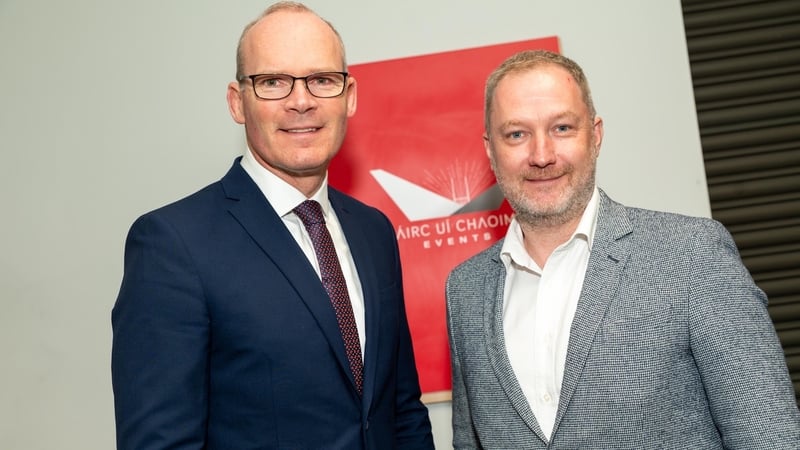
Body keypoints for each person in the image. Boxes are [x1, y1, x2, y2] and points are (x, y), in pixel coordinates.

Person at [111, 2, 434, 449]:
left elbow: (401, 411)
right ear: (236, 101)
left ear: (350, 95)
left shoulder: (373, 231)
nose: (301, 101)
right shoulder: (174, 244)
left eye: (322, 80)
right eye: (273, 82)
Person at [445, 49, 800, 449]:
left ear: (595, 136)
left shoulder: (692, 255)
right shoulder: (465, 291)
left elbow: (770, 436)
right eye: (516, 134)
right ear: (490, 150)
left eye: (562, 128)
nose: (541, 156)